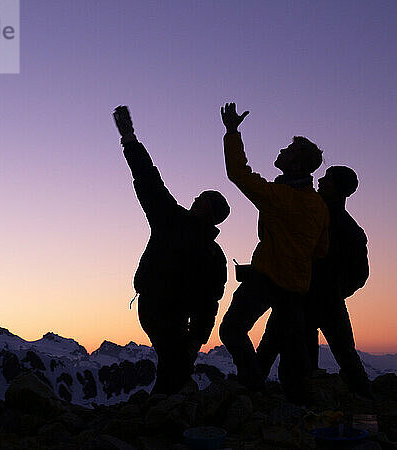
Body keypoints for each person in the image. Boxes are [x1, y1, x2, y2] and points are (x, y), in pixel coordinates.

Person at [113, 105, 230, 395]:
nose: (195, 198)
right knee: (174, 361)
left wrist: (197, 337)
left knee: (174, 363)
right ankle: (166, 413)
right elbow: (148, 179)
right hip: (156, 308)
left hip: (166, 311)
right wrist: (129, 140)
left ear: (208, 210)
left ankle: (163, 414)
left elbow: (209, 300)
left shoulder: (175, 223)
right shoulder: (195, 239)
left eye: (202, 198)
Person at [218, 102, 329, 404]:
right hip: (296, 286)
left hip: (266, 279)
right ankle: (296, 403)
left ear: (295, 165)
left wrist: (231, 132)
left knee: (232, 330)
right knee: (290, 345)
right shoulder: (318, 205)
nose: (281, 152)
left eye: (288, 151)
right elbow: (320, 249)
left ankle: (253, 388)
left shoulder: (279, 196)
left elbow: (238, 174)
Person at [259, 166, 372, 397]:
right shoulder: (350, 228)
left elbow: (360, 274)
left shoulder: (318, 217)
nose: (321, 180)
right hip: (324, 299)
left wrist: (334, 290)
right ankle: (364, 398)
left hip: (300, 295)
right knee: (343, 353)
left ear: (338, 187)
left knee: (272, 345)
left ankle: (256, 392)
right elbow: (360, 275)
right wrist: (338, 291)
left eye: (328, 179)